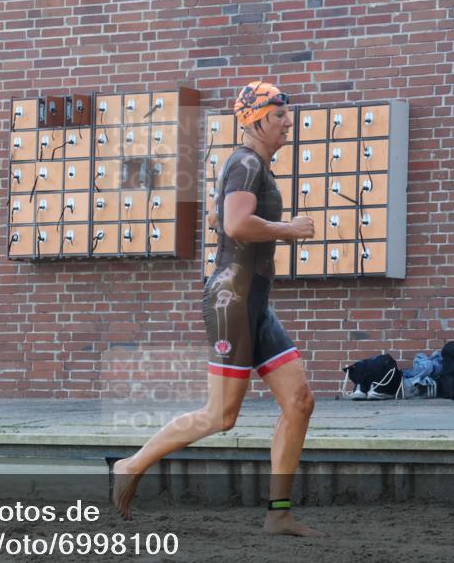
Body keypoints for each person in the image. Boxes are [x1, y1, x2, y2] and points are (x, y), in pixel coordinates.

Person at [112, 81, 323, 536]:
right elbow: (235, 223)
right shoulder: (247, 163)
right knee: (221, 417)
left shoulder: (249, 165)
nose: (288, 123)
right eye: (279, 115)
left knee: (300, 402)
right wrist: (290, 229)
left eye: (287, 114)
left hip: (255, 302)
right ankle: (131, 465)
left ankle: (278, 513)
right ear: (256, 120)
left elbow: (217, 218)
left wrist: (229, 221)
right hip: (233, 300)